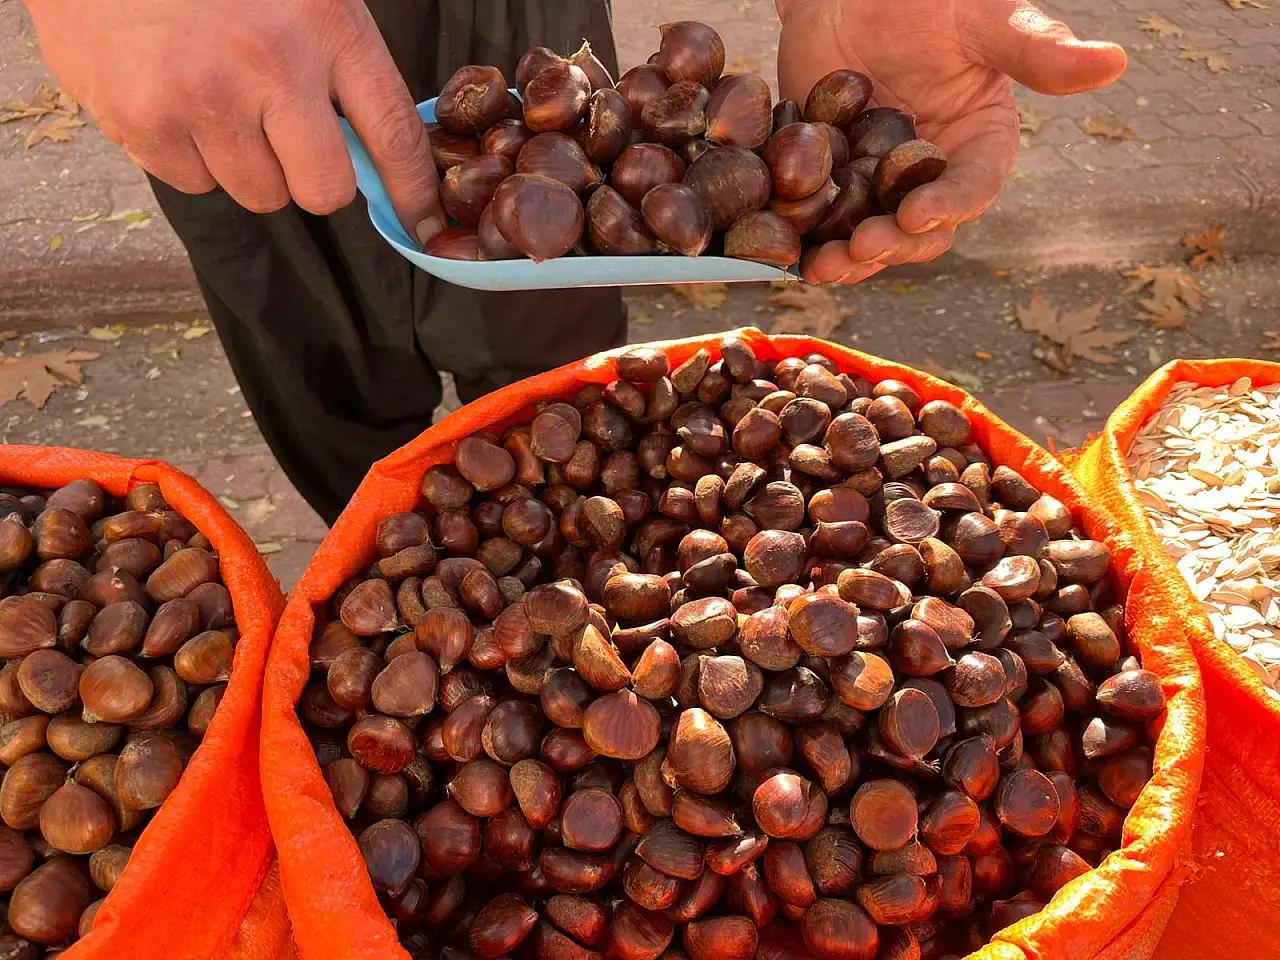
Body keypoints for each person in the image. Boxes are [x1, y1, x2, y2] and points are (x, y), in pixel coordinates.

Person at [20, 0, 1125, 524]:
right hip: (211, 35)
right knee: (315, 341)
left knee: (545, 341)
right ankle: (384, 546)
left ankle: (556, 536)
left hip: (506, 9)